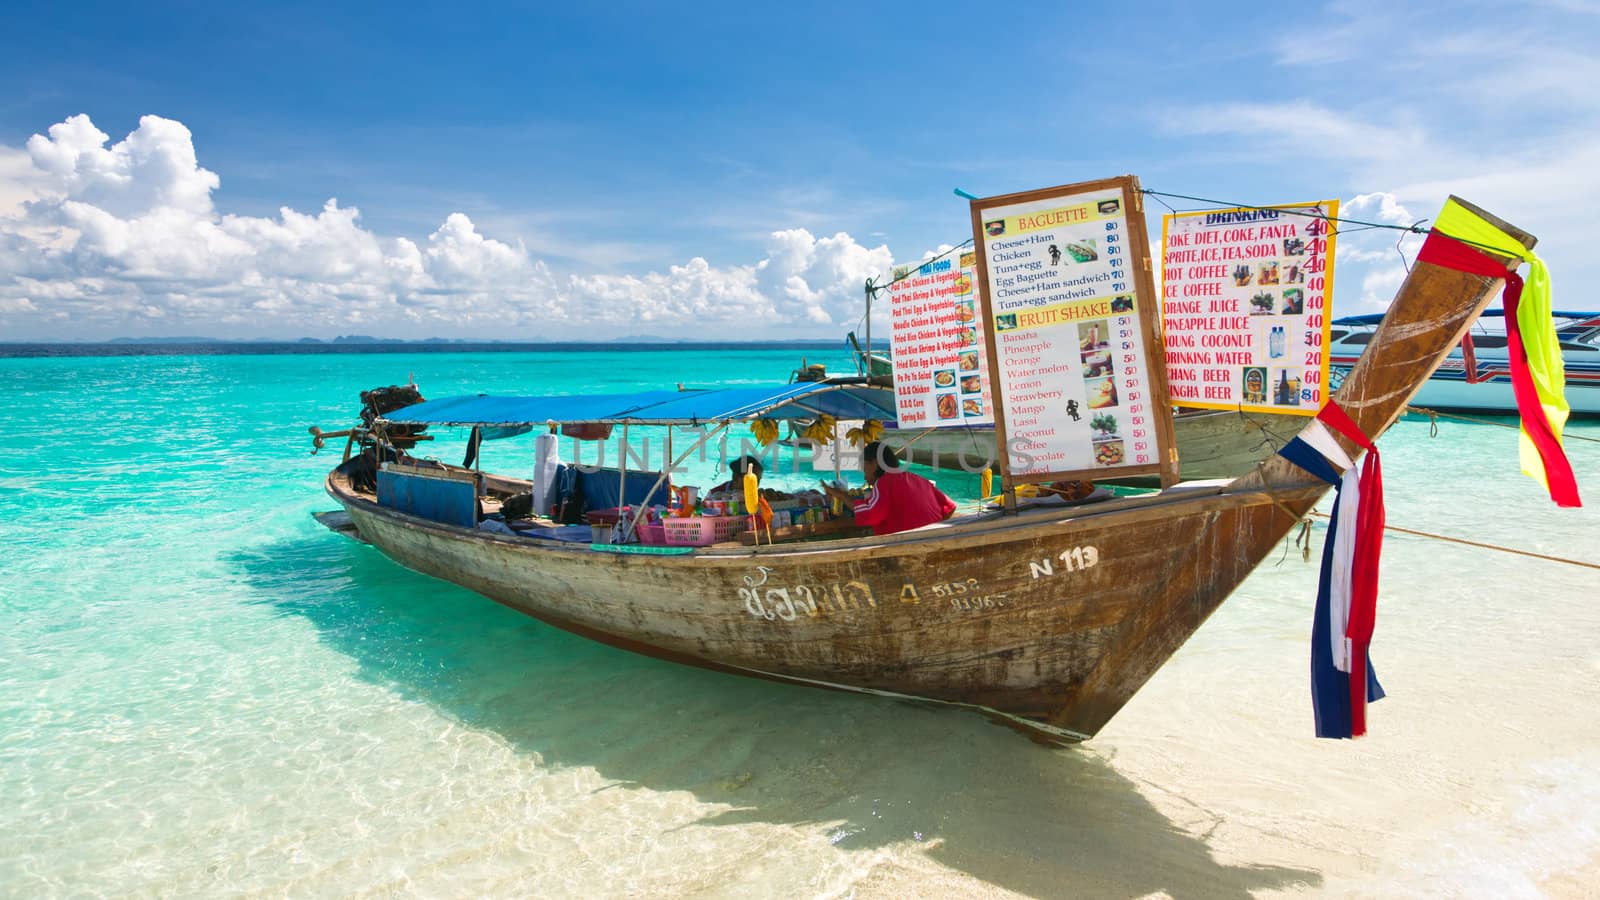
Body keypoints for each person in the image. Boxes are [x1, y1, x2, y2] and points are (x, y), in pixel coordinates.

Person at [820, 442, 956, 536]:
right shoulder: (917, 478)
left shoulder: (884, 482)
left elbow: (870, 514)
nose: (865, 476)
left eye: (865, 468)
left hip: (907, 546)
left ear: (875, 463)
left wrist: (841, 495)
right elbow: (950, 507)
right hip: (933, 540)